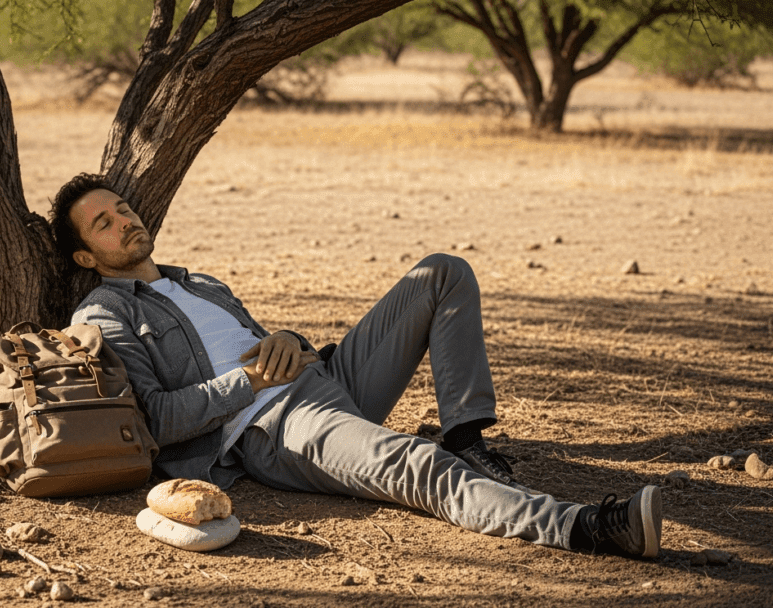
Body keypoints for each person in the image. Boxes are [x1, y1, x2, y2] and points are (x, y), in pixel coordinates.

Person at [49, 173, 662, 558]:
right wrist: (253, 380)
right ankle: (587, 528)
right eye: (104, 222)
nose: (125, 220)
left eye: (124, 207)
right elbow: (157, 419)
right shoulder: (102, 314)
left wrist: (287, 337)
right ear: (85, 253)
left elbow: (262, 341)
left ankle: (466, 433)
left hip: (325, 378)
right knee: (415, 464)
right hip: (276, 425)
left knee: (442, 271)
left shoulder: (199, 280)